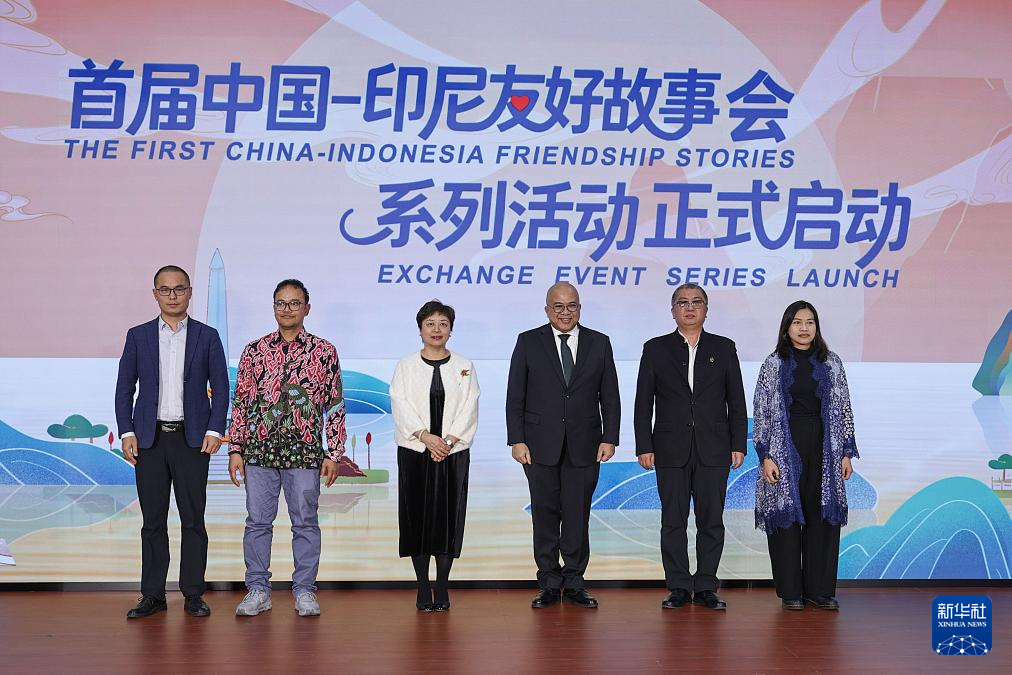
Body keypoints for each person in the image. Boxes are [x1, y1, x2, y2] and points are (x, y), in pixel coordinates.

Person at [115, 265, 229, 619]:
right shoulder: (138, 336)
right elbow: (124, 388)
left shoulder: (207, 336)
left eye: (179, 289)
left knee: (193, 520)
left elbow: (221, 387)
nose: (173, 295)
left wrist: (215, 430)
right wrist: (127, 431)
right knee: (152, 521)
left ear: (190, 292)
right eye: (165, 290)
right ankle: (152, 595)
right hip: (149, 441)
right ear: (155, 294)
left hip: (192, 441)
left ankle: (193, 593)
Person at [227, 279, 346, 617]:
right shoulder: (255, 350)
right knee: (257, 523)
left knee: (305, 522)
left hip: (305, 451)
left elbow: (335, 404)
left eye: (295, 303)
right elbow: (242, 401)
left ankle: (305, 590)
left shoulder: (324, 351)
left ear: (307, 308)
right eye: (281, 303)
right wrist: (235, 448)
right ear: (274, 307)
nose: (287, 309)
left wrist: (334, 452)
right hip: (259, 451)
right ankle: (258, 590)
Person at [633, 283, 747, 611]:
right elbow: (643, 402)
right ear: (673, 311)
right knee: (673, 521)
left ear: (706, 310)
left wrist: (738, 443)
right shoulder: (655, 349)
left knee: (711, 520)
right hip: (670, 448)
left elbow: (736, 400)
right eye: (682, 302)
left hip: (715, 448)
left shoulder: (724, 348)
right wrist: (644, 444)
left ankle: (707, 585)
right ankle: (679, 585)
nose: (689, 307)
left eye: (697, 302)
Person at [506, 282, 620, 609]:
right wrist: (517, 439)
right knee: (544, 515)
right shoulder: (528, 341)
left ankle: (574, 582)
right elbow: (515, 396)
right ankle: (548, 582)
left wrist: (609, 437)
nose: (565, 312)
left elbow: (610, 396)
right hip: (538, 445)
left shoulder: (599, 343)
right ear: (547, 309)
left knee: (577, 515)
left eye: (572, 306)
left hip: (586, 445)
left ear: (580, 309)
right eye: (558, 306)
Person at [753, 300, 858, 611]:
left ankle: (819, 591)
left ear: (817, 327)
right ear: (786, 328)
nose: (804, 328)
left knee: (822, 516)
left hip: (825, 448)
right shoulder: (773, 364)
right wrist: (765, 455)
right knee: (786, 517)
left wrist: (846, 452)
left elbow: (844, 407)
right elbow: (761, 411)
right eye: (797, 322)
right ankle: (791, 592)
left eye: (810, 322)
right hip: (783, 448)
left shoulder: (832, 362)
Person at [390, 300, 480, 612]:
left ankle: (442, 586)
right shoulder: (406, 365)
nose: (437, 329)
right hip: (415, 451)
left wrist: (449, 441)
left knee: (448, 518)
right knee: (416, 516)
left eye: (443, 324)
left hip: (453, 454)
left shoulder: (464, 365)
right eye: (430, 324)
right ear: (420, 330)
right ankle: (422, 586)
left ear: (451, 330)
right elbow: (399, 403)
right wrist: (426, 438)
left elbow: (470, 405)